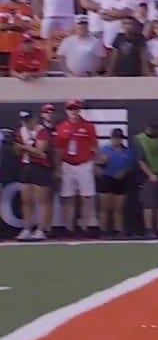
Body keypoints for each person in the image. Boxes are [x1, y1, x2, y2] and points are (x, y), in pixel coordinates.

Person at [53, 100, 98, 238]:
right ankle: (69, 228)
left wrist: (96, 164)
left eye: (75, 109)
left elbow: (94, 146)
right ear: (66, 111)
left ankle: (84, 227)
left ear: (79, 110)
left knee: (86, 197)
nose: (73, 111)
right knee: (68, 197)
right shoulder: (61, 127)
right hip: (67, 164)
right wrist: (58, 168)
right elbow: (58, 149)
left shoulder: (88, 126)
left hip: (84, 164)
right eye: (70, 109)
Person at [14, 110, 52, 241]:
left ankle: (41, 229)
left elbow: (41, 151)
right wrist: (24, 148)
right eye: (24, 120)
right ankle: (26, 229)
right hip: (26, 165)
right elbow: (17, 150)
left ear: (34, 119)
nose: (27, 123)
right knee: (26, 200)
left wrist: (24, 147)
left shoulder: (41, 131)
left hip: (40, 167)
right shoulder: (21, 131)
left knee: (42, 200)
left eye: (28, 120)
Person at [96, 129, 136, 237]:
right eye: (115, 138)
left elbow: (130, 165)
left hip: (121, 181)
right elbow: (97, 166)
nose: (116, 140)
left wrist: (123, 172)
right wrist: (101, 162)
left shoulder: (127, 151)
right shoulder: (104, 149)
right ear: (111, 138)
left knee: (118, 208)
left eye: (119, 138)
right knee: (105, 207)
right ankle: (103, 230)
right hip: (107, 179)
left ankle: (118, 230)